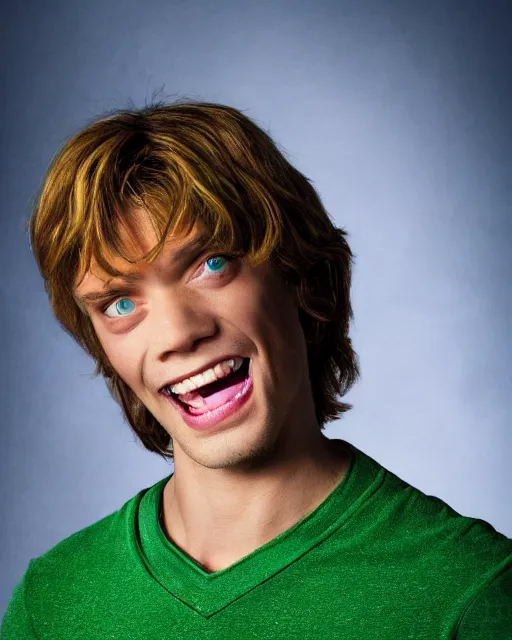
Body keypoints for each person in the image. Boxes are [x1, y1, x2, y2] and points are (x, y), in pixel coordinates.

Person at [1, 100, 511, 639]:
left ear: (297, 273)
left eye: (211, 264)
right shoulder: (52, 604)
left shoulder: (470, 594)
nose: (178, 334)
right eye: (119, 304)